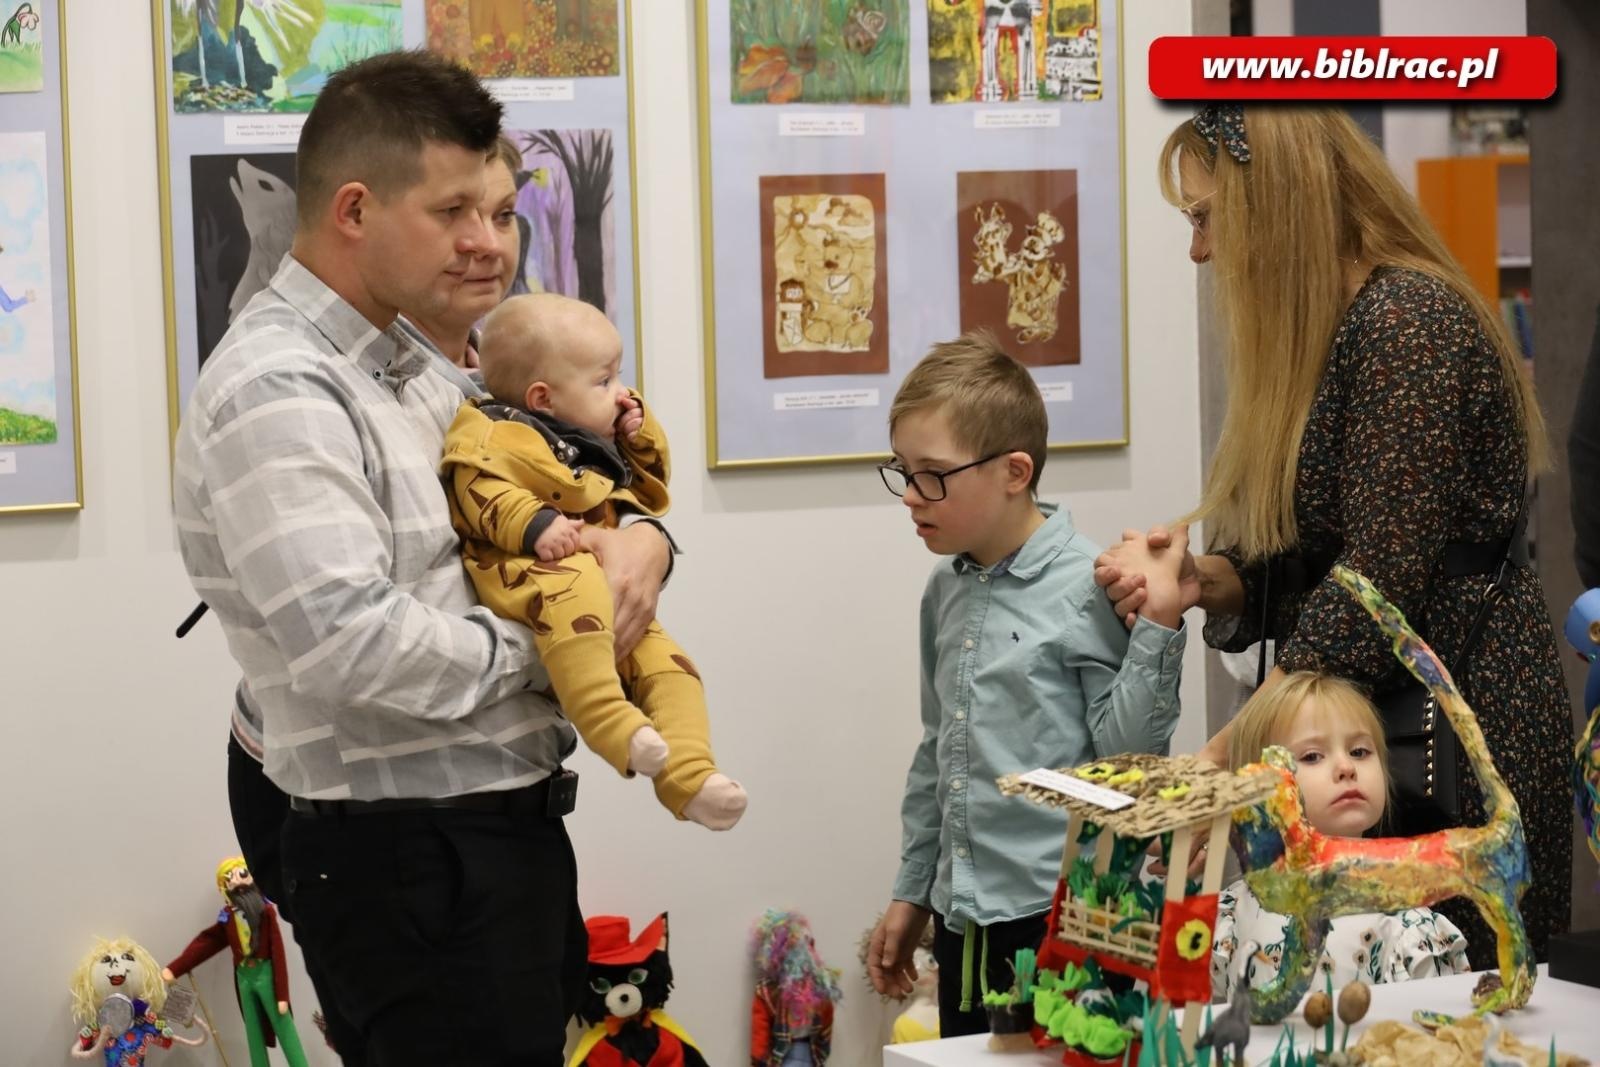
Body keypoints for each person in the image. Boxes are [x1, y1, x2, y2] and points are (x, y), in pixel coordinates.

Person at [173, 51, 669, 1065]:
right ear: (353, 209)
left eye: (501, 210)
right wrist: (563, 644)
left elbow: (569, 490)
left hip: (478, 851)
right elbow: (352, 647)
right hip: (413, 865)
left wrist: (647, 540)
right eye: (455, 213)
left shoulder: (413, 368)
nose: (490, 244)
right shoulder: (281, 390)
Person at [1094, 104, 1573, 965]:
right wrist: (1209, 578)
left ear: (1273, 200)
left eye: (1205, 217)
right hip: (1383, 717)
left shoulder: (1407, 325)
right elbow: (1324, 547)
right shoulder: (1346, 325)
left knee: (1446, 999)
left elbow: (1375, 579)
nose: (1199, 250)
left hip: (1456, 727)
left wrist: (1223, 762)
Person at [865, 332, 1189, 1035]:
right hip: (961, 917)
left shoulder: (1089, 585)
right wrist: (913, 888)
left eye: (933, 474)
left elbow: (1127, 759)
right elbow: (938, 752)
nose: (912, 496)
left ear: (1015, 471)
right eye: (902, 471)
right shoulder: (942, 590)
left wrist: (1159, 626)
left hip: (1062, 916)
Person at [442, 293, 746, 829]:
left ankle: (691, 775)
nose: (621, 392)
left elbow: (647, 490)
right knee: (578, 583)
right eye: (604, 382)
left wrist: (637, 432)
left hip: (585, 572)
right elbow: (478, 489)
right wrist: (535, 525)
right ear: (543, 398)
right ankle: (610, 723)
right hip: (522, 570)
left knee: (668, 663)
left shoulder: (585, 434)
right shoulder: (490, 432)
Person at [1210, 673, 1470, 1000]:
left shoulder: (1406, 923)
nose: (1346, 767)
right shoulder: (1232, 915)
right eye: (1312, 756)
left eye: (1360, 751)